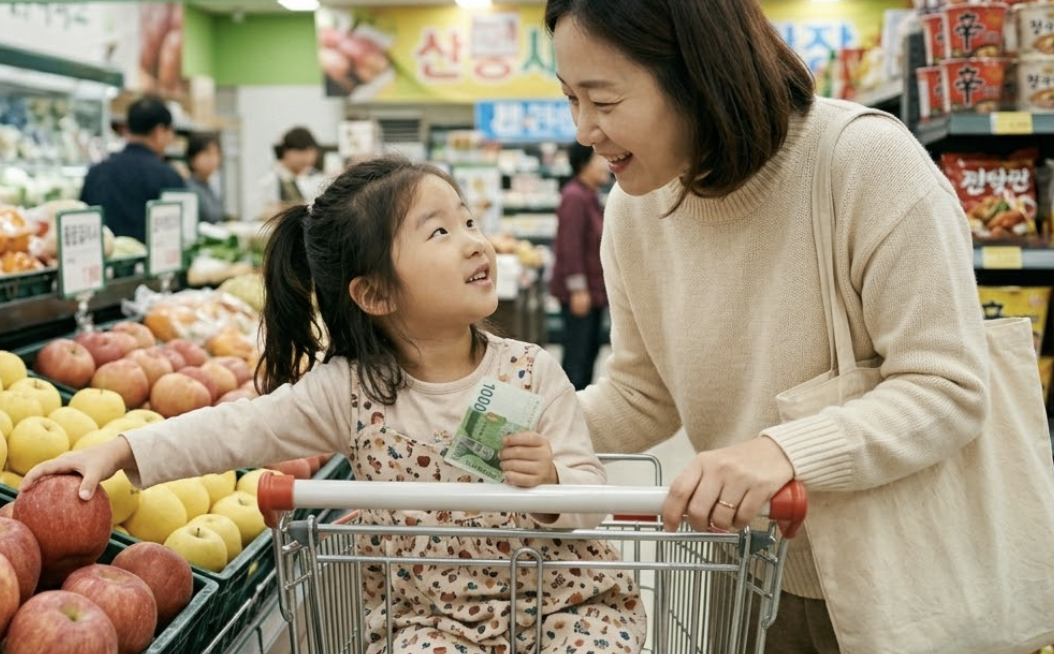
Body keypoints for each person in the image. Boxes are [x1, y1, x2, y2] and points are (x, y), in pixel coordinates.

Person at [24, 156, 646, 654]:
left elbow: (589, 494)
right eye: (440, 231)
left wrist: (553, 485)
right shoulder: (350, 390)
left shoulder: (530, 371)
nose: (473, 243)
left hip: (561, 601)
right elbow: (237, 428)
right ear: (374, 293)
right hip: (436, 622)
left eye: (468, 222)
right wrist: (122, 448)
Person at [546, 0, 997, 651]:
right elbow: (642, 393)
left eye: (604, 101)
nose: (585, 129)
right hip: (750, 573)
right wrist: (495, 426)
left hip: (900, 583)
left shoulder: (863, 162)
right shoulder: (633, 212)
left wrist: (783, 452)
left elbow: (947, 387)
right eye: (570, 100)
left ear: (697, 74)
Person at [80, 95, 185, 243]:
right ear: (159, 131)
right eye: (170, 132)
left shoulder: (96, 171)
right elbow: (179, 233)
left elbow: (83, 220)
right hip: (151, 263)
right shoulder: (168, 176)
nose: (171, 138)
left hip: (103, 261)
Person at [549, 142, 610, 390]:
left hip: (593, 292)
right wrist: (578, 289)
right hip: (581, 294)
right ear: (584, 164)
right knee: (577, 356)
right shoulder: (574, 196)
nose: (606, 164)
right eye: (599, 159)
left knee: (589, 351)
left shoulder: (588, 194)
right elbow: (570, 246)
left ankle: (581, 410)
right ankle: (568, 413)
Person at [248, 126, 323, 221]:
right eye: (300, 152)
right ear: (285, 152)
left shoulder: (317, 178)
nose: (306, 158)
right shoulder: (268, 180)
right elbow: (257, 212)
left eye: (310, 152)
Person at [184, 132, 227, 224]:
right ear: (192, 157)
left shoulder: (208, 185)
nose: (213, 159)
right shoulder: (189, 189)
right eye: (207, 153)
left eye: (216, 153)